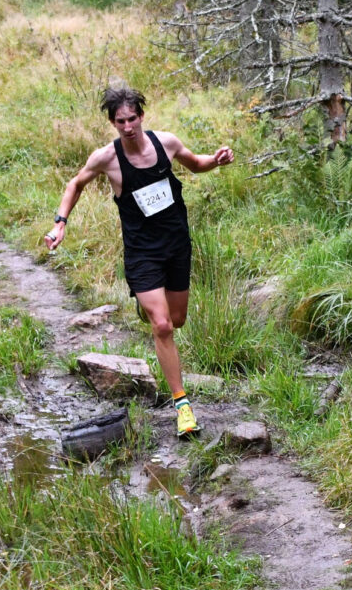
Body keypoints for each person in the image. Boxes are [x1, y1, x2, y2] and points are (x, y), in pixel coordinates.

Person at [44, 82, 235, 436]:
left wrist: (217, 160)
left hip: (176, 245)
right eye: (121, 121)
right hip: (141, 253)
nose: (128, 126)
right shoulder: (107, 158)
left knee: (176, 320)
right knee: (162, 326)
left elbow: (196, 164)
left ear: (142, 116)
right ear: (112, 123)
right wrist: (60, 224)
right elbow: (75, 184)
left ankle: (149, 306)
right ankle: (182, 405)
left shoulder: (167, 143)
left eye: (132, 118)